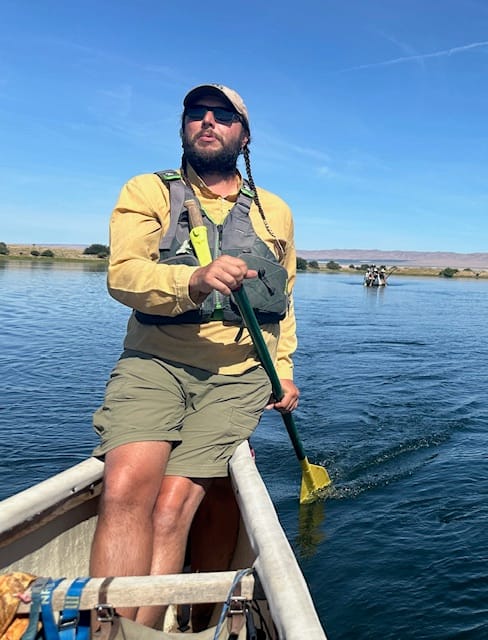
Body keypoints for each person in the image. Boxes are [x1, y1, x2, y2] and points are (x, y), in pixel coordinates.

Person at [89, 83, 299, 628]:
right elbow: (123, 275)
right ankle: (114, 631)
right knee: (125, 488)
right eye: (197, 113)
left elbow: (284, 303)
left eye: (224, 115)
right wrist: (194, 279)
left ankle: (146, 628)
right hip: (153, 362)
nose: (208, 121)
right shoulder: (148, 191)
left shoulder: (275, 212)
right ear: (183, 127)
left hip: (237, 373)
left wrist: (283, 371)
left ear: (244, 137)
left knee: (171, 506)